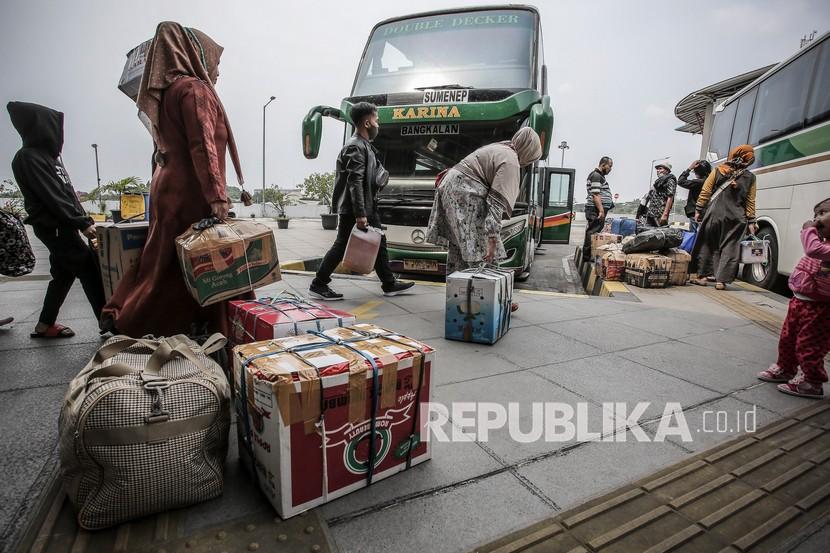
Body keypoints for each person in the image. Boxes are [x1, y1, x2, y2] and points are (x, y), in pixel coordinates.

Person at [101, 22, 246, 337]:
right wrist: (217, 197)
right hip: (191, 191)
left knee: (164, 263)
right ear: (197, 55)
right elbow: (203, 146)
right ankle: (216, 330)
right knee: (208, 262)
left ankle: (132, 316)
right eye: (216, 62)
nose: (218, 71)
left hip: (168, 188)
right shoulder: (195, 89)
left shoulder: (166, 93)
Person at [7, 102, 105, 338]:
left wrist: (85, 220)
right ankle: (111, 325)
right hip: (54, 227)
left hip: (64, 225)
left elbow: (67, 193)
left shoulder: (50, 158)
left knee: (63, 274)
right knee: (89, 269)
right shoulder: (27, 158)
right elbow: (52, 196)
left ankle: (44, 324)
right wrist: (81, 223)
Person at [425, 127, 542, 312]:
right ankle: (494, 300)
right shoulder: (511, 161)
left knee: (460, 248)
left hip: (452, 187)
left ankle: (457, 298)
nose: (529, 162)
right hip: (465, 192)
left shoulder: (501, 148)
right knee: (483, 250)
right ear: (528, 150)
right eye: (532, 157)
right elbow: (496, 204)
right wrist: (492, 239)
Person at [309, 102, 414, 300]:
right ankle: (318, 284)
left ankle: (389, 283)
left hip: (366, 205)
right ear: (367, 122)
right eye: (376, 120)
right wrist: (360, 214)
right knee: (341, 245)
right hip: (355, 208)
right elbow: (354, 182)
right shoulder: (355, 147)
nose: (378, 125)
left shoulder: (365, 146)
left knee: (379, 241)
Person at [757, 198, 830, 398]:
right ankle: (785, 367)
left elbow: (813, 249)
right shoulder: (823, 241)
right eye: (816, 214)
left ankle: (812, 381)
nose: (817, 219)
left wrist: (809, 229)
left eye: (823, 213)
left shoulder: (822, 246)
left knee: (809, 345)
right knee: (788, 338)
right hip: (800, 301)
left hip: (821, 308)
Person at [690, 145, 758, 290]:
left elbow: (706, 191)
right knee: (730, 248)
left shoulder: (719, 170)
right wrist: (752, 221)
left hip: (715, 214)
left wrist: (699, 210)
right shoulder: (750, 177)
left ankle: (702, 277)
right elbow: (750, 201)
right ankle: (721, 281)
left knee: (707, 244)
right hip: (737, 218)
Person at [581, 156, 614, 261]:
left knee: (594, 231)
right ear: (603, 165)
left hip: (597, 208)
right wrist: (601, 210)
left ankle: (589, 255)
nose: (610, 169)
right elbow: (596, 195)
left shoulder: (599, 176)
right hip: (595, 209)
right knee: (592, 232)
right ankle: (587, 257)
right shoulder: (596, 175)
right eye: (610, 166)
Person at [677, 160, 711, 232]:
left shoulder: (698, 182)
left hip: (696, 213)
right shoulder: (711, 183)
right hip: (707, 212)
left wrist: (689, 168)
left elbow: (680, 181)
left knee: (693, 235)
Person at [639, 161, 676, 227]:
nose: (658, 170)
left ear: (667, 170)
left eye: (660, 168)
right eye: (657, 169)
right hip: (651, 213)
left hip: (660, 214)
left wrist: (665, 214)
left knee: (660, 234)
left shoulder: (670, 180)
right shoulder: (657, 183)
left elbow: (670, 197)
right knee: (648, 233)